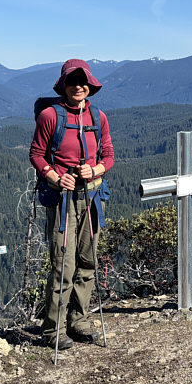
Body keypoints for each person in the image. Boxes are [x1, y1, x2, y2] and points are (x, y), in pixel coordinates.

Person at [29, 59, 114, 349]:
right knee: (63, 265)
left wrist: (96, 170)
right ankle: (53, 330)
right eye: (72, 82)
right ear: (63, 85)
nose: (78, 86)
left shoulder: (98, 117)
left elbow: (109, 156)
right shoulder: (51, 117)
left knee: (87, 262)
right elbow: (37, 154)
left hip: (91, 197)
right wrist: (55, 177)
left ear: (90, 86)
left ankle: (78, 321)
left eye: (83, 82)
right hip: (63, 200)